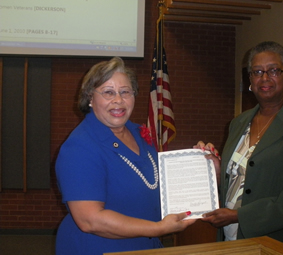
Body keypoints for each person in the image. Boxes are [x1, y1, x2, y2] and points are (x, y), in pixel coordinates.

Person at [197, 41, 283, 253]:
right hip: (232, 237)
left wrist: (240, 215)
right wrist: (217, 168)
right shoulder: (238, 123)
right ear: (250, 79)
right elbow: (238, 179)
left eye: (273, 70)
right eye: (257, 71)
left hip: (280, 241)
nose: (265, 78)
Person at [55, 57, 196, 255]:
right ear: (89, 98)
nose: (118, 100)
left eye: (125, 92)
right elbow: (90, 220)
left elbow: (155, 184)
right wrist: (159, 228)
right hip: (98, 248)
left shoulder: (139, 133)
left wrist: (203, 166)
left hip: (144, 246)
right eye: (108, 92)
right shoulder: (80, 147)